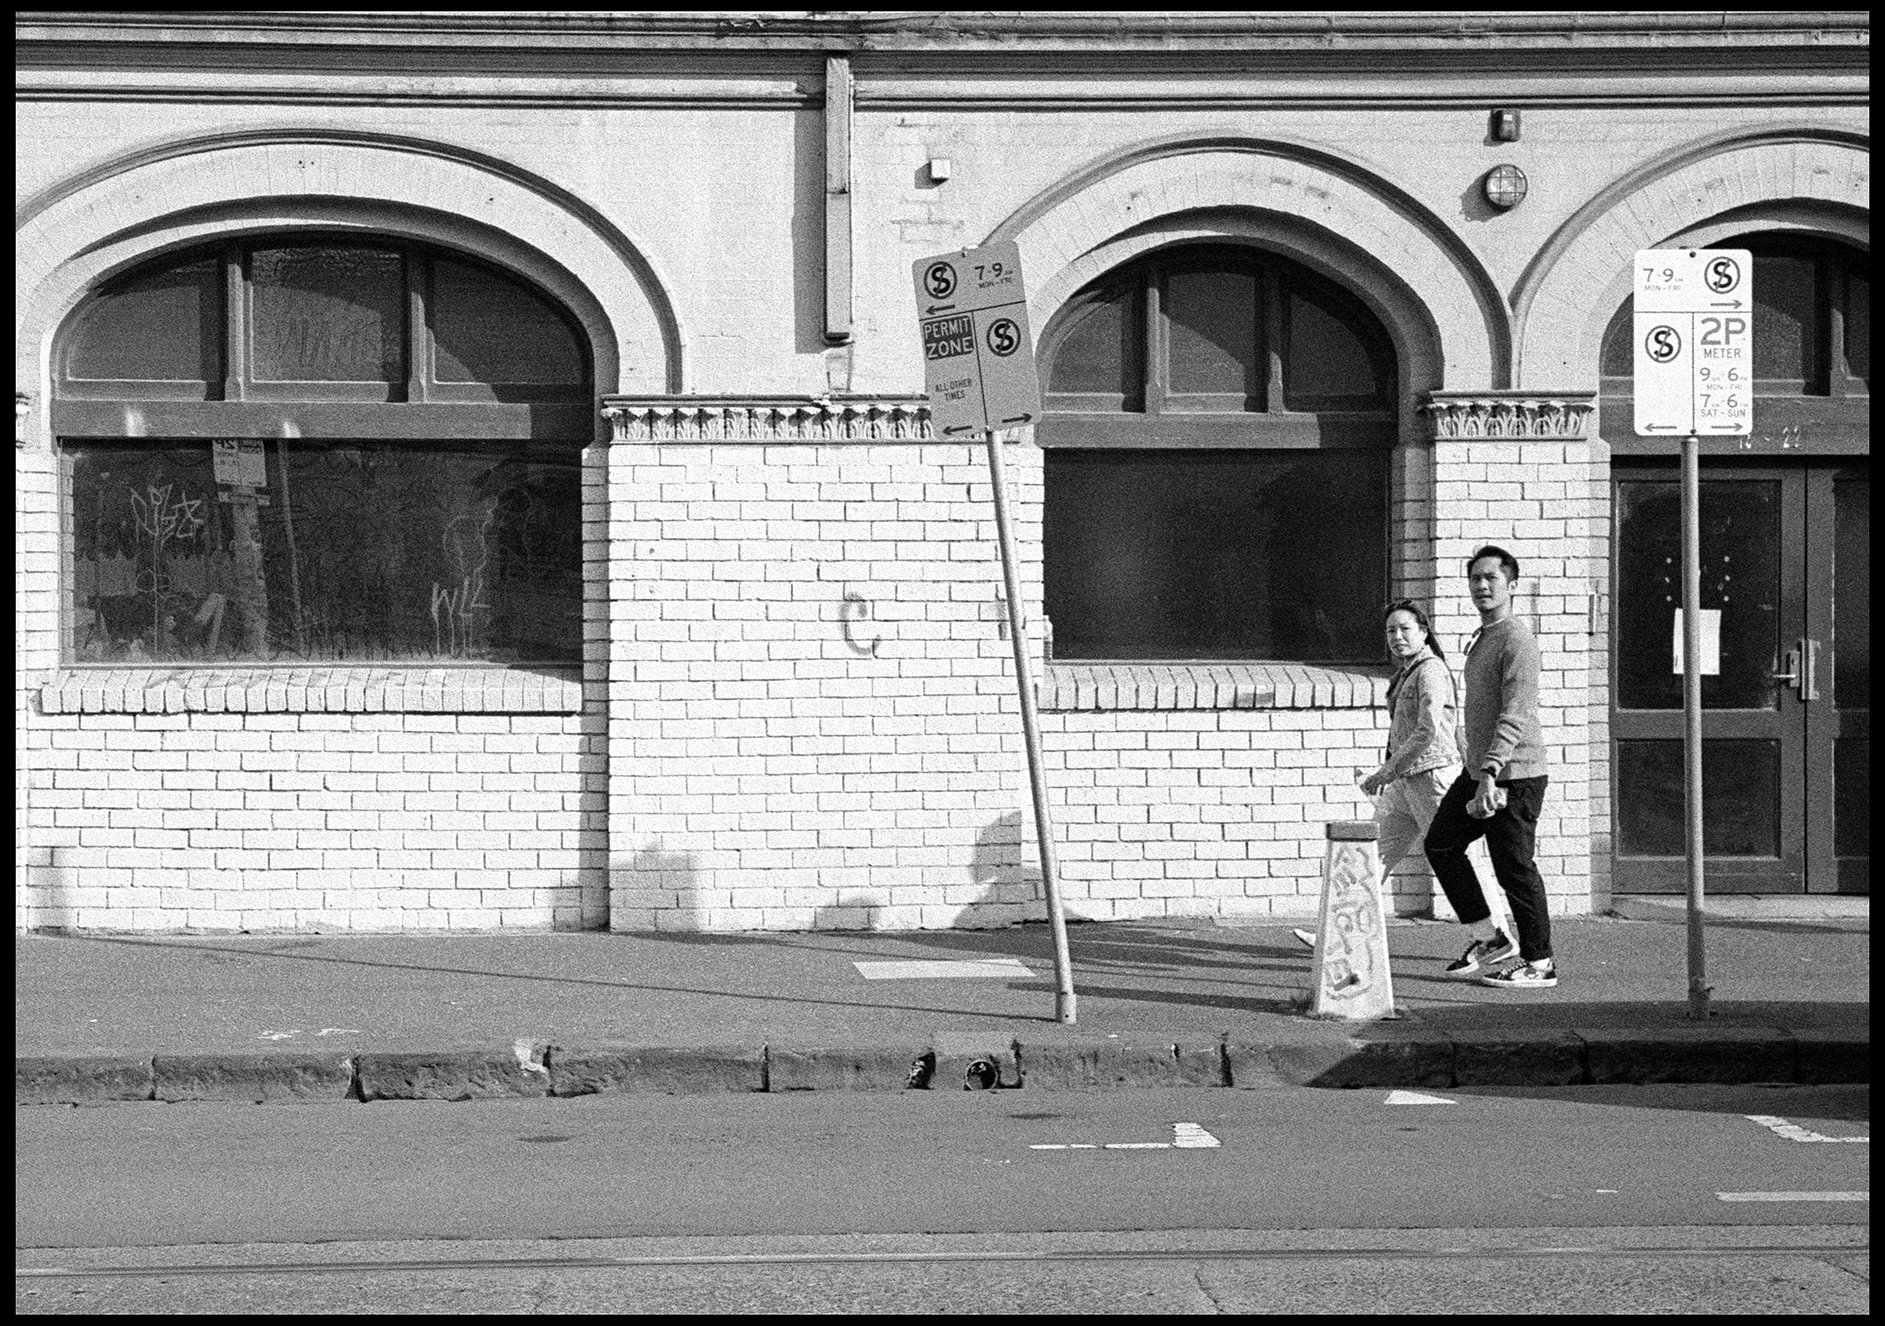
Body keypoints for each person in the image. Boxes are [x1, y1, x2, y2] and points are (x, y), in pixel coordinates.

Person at [1422, 545, 1557, 988]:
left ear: (1511, 586)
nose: (1481, 586)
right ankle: (1491, 939)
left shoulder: (1517, 641)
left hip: (1512, 774)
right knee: (1441, 844)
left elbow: (1515, 712)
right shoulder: (1484, 637)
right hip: (1482, 770)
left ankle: (1540, 963)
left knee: (1514, 866)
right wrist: (1473, 759)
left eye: (1491, 579)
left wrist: (1491, 773)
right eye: (1475, 579)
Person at [1294, 599, 1461, 949]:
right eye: (1390, 630)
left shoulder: (1430, 670)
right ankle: (1336, 932)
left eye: (1405, 629)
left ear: (1424, 631)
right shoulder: (1407, 672)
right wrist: (1388, 773)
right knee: (1370, 856)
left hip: (1432, 779)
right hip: (1406, 781)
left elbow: (1427, 730)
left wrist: (1386, 771)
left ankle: (1497, 937)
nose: (1397, 637)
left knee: (1458, 860)